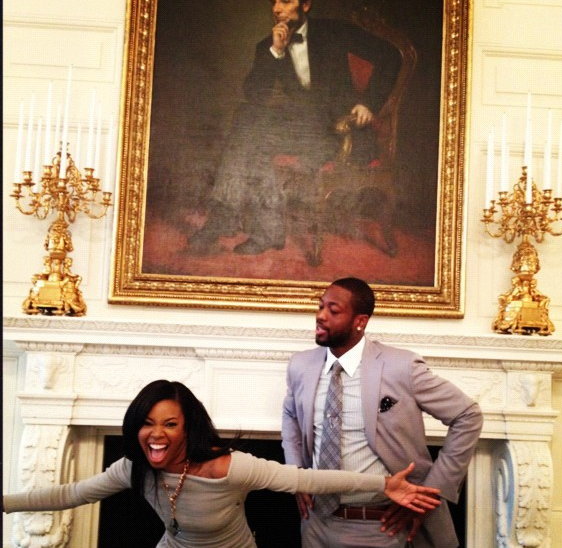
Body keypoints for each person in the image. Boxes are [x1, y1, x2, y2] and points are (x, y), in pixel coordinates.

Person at [3, 379, 441, 548]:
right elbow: (71, 494)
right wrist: (4, 504)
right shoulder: (132, 468)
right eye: (147, 423)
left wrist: (383, 485)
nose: (156, 434)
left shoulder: (229, 468)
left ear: (187, 427)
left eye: (169, 424)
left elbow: (305, 479)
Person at [188, 0, 402, 256]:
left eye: (286, 1)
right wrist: (276, 52)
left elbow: (391, 56)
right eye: (274, 2)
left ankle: (244, 225)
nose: (277, 8)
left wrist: (368, 103)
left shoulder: (335, 31)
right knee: (247, 120)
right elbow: (254, 96)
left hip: (341, 131)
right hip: (304, 130)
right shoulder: (268, 46)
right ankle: (242, 223)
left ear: (306, 5)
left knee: (251, 138)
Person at [282, 278, 483, 548]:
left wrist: (431, 492)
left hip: (382, 527)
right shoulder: (300, 365)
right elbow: (291, 417)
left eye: (333, 310)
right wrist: (296, 474)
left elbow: (468, 415)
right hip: (315, 525)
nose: (321, 316)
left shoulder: (401, 366)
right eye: (320, 307)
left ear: (360, 321)